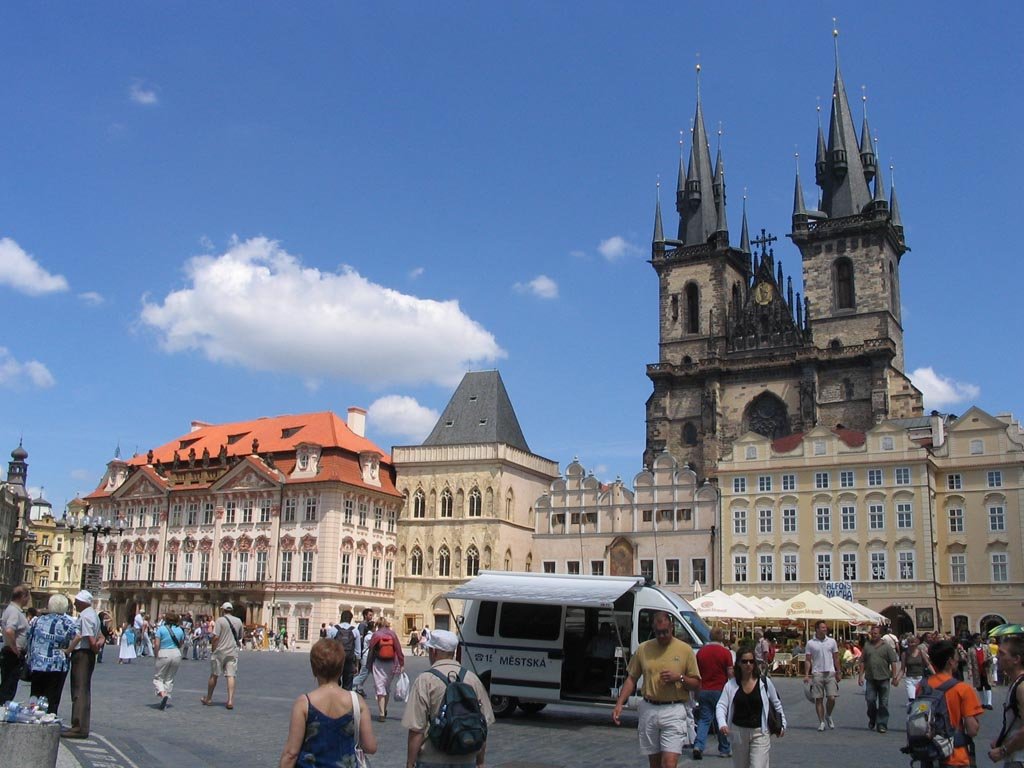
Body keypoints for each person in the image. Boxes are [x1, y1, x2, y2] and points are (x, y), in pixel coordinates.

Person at [613, 611, 701, 768]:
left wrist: (679, 677)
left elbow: (696, 683)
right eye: (658, 632)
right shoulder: (644, 649)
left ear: (672, 627)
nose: (662, 636)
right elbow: (631, 678)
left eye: (665, 632)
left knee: (669, 764)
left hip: (674, 709)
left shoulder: (685, 650)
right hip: (649, 708)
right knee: (654, 763)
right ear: (653, 630)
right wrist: (620, 703)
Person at [402, 629, 494, 768]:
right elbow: (483, 724)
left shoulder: (425, 680)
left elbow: (416, 729)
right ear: (453, 652)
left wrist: (410, 763)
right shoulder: (472, 679)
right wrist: (480, 762)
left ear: (434, 652)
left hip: (432, 758)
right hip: (466, 758)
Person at [279, 638, 377, 768]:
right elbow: (370, 747)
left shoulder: (304, 703)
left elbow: (291, 753)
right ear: (341, 668)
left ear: (314, 669)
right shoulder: (357, 701)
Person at [716, 646, 786, 768]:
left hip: (760, 731)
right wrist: (722, 723)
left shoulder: (764, 682)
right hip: (738, 731)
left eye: (751, 661)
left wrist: (782, 724)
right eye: (744, 661)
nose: (748, 664)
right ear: (738, 663)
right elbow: (721, 705)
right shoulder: (731, 685)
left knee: (758, 765)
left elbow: (776, 703)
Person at [919, 639, 982, 768]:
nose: (958, 660)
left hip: (929, 753)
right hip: (955, 755)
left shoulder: (922, 686)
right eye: (956, 657)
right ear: (950, 661)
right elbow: (972, 730)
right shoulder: (963, 689)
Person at [63, 590, 104, 739]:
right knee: (84, 689)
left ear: (83, 602)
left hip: (82, 654)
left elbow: (88, 638)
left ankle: (78, 726)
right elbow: (101, 637)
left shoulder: (86, 616)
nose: (75, 604)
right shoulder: (93, 615)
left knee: (79, 690)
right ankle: (81, 725)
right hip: (88, 654)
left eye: (77, 602)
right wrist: (98, 646)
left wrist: (94, 648)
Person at [26, 593, 76, 714]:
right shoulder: (67, 623)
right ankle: (50, 716)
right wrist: (68, 650)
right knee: (52, 696)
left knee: (36, 693)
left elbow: (29, 638)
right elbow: (77, 636)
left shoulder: (37, 620)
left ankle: (33, 715)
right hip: (57, 664)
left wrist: (30, 657)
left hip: (38, 662)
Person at [693, 626, 734, 760]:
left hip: (704, 689)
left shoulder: (701, 652)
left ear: (710, 636)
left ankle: (698, 745)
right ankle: (724, 748)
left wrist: (697, 691)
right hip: (720, 690)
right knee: (720, 719)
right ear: (721, 637)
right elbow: (730, 673)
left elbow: (696, 673)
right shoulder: (725, 653)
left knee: (704, 719)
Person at [857, 624, 900, 733]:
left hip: (884, 677)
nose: (873, 635)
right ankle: (873, 717)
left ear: (880, 634)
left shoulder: (887, 647)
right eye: (872, 633)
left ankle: (882, 724)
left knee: (883, 703)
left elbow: (893, 662)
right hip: (870, 678)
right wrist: (860, 676)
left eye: (875, 633)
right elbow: (862, 661)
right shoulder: (867, 646)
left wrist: (895, 676)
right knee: (870, 700)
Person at [989, 635, 1024, 766]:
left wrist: (1003, 750)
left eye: (1002, 653)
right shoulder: (1016, 683)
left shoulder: (1021, 687)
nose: (998, 657)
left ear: (1016, 659)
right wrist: (1002, 740)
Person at [201, 601, 243, 709]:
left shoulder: (220, 620)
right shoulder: (238, 621)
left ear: (223, 610)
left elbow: (216, 637)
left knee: (214, 675)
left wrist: (213, 649)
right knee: (231, 675)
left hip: (220, 651)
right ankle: (230, 701)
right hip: (232, 652)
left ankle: (209, 698)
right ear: (231, 610)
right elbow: (240, 636)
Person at [804, 619, 841, 732]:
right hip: (817, 673)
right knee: (818, 699)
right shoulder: (810, 643)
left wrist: (838, 671)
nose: (825, 629)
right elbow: (808, 659)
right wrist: (806, 674)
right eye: (823, 627)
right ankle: (821, 722)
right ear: (817, 629)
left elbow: (836, 657)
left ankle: (828, 715)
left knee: (832, 698)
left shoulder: (832, 641)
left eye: (825, 627)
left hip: (830, 672)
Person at [366, 616, 404, 721]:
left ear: (377, 625)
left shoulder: (376, 635)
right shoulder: (392, 634)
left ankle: (381, 713)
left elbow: (371, 650)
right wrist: (401, 663)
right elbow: (398, 649)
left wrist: (368, 664)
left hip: (379, 663)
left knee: (380, 687)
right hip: (391, 663)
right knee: (387, 687)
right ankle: (384, 708)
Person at [0, 584, 30, 704]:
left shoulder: (12, 610)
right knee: (9, 687)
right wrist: (15, 649)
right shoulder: (14, 612)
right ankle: (3, 708)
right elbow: (9, 630)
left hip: (10, 652)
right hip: (12, 654)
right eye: (27, 597)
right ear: (23, 596)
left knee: (8, 685)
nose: (28, 600)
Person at [153, 612, 186, 710]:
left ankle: (163, 694)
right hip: (176, 654)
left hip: (164, 652)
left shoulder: (161, 629)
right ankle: (166, 696)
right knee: (169, 678)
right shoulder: (180, 630)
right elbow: (181, 643)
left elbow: (157, 644)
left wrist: (156, 654)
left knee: (159, 677)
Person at [327, 610, 361, 690]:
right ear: (350, 619)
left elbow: (328, 647)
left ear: (341, 618)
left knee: (334, 684)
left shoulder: (333, 629)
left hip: (336, 660)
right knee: (347, 686)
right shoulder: (355, 630)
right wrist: (356, 665)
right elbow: (358, 651)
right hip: (349, 660)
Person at [902, 635, 934, 710]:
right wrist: (896, 678)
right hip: (909, 679)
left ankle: (922, 714)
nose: (912, 644)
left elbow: (928, 664)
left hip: (920, 678)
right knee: (912, 699)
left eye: (913, 642)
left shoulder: (921, 652)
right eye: (910, 642)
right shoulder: (904, 654)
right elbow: (902, 669)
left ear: (917, 643)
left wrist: (935, 674)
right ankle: (912, 714)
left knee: (920, 700)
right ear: (908, 643)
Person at [968, 633, 994, 710]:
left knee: (988, 685)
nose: (979, 640)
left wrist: (988, 660)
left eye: (980, 638)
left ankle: (989, 703)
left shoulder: (986, 647)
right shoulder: (971, 649)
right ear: (974, 640)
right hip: (977, 671)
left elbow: (990, 656)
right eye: (977, 638)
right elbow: (969, 662)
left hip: (986, 669)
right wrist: (969, 671)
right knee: (979, 687)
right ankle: (983, 703)